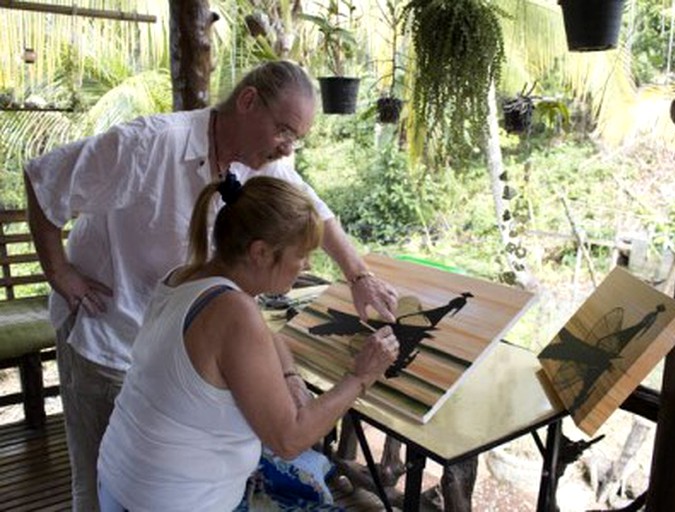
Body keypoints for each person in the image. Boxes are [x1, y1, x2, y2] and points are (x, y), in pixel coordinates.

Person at [23, 60, 398, 511]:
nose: (287, 147)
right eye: (284, 130)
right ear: (247, 102)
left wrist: (359, 275)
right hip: (107, 330)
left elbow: (312, 212)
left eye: (296, 138)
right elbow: (44, 179)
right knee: (96, 471)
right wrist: (59, 272)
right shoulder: (150, 143)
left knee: (134, 465)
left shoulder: (257, 170)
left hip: (170, 343)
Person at [96, 175, 398, 511]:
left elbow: (267, 339)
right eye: (302, 254)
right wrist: (360, 377)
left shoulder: (186, 277)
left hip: (120, 482)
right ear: (261, 252)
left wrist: (290, 376)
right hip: (173, 499)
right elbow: (289, 439)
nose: (307, 265)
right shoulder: (233, 310)